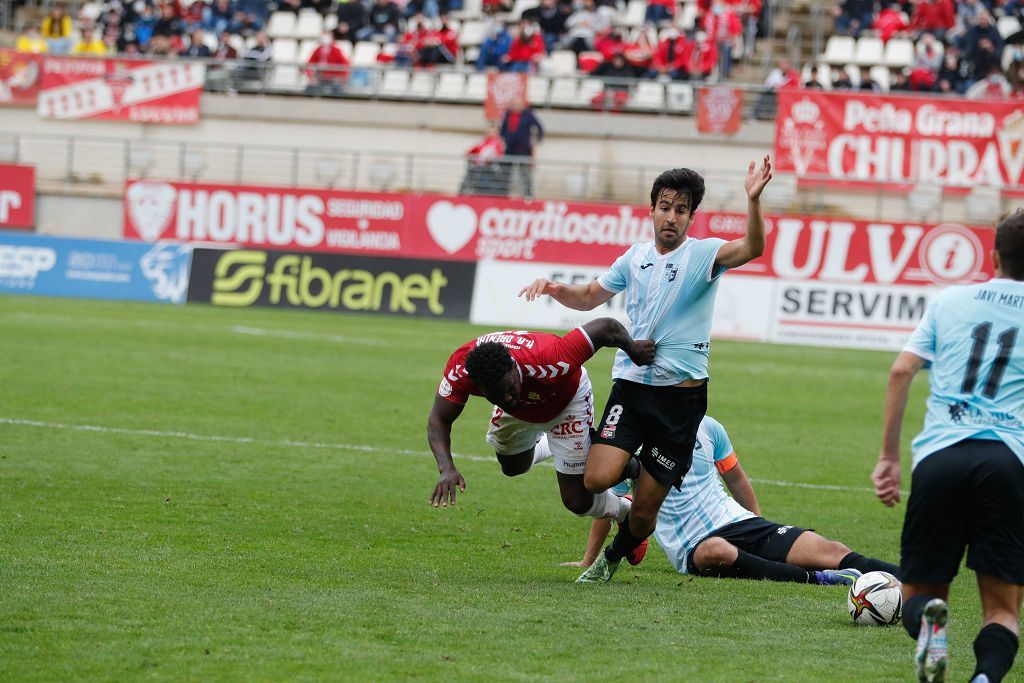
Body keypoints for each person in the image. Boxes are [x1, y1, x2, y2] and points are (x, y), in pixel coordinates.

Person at [519, 158, 773, 584]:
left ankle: (611, 560)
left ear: (692, 216)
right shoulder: (634, 259)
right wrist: (555, 288)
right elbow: (588, 297)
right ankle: (638, 467)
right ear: (651, 209)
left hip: (681, 401)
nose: (671, 216)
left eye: (680, 209)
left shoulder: (703, 254)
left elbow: (753, 247)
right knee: (596, 478)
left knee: (644, 514)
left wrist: (753, 199)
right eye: (664, 206)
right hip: (632, 387)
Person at [872, 210, 1024, 683]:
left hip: (941, 458)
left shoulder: (949, 300)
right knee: (1002, 611)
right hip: (1007, 462)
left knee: (922, 594)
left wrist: (890, 458)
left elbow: (901, 371)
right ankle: (983, 679)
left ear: (994, 255)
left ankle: (932, 635)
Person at [565, 416, 900, 586]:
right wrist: (589, 559)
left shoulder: (709, 427)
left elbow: (735, 477)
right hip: (692, 547)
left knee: (832, 550)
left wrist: (762, 525)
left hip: (739, 522)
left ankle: (913, 577)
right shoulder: (632, 444)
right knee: (718, 552)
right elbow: (609, 506)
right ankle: (818, 579)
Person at [426, 318, 656, 566]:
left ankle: (626, 505)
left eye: (509, 388)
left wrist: (633, 348)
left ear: (514, 369)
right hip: (519, 415)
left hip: (568, 403)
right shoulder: (462, 370)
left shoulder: (549, 357)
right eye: (497, 396)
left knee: (576, 500)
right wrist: (446, 468)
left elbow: (606, 328)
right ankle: (561, 446)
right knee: (512, 467)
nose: (507, 397)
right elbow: (438, 420)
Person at [499, 97, 543, 199]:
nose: (516, 106)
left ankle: (528, 195)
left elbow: (539, 127)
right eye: (514, 104)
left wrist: (538, 140)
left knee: (525, 172)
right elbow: (502, 129)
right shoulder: (507, 114)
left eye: (518, 104)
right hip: (510, 148)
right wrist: (503, 139)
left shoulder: (528, 115)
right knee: (506, 171)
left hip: (523, 149)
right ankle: (503, 193)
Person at [459, 122, 507, 196]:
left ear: (497, 132)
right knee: (467, 178)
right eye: (489, 131)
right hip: (478, 167)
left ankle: (483, 195)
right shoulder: (482, 141)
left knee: (484, 180)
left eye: (493, 132)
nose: (490, 133)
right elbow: (472, 150)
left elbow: (499, 155)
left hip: (489, 169)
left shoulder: (499, 143)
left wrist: (490, 159)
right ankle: (463, 195)